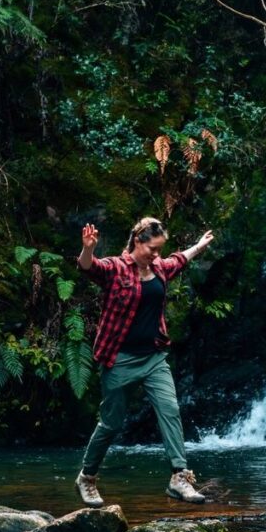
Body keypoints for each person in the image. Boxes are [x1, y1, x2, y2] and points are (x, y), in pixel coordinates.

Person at [74, 216, 215, 507]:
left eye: (159, 249)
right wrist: (88, 248)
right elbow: (89, 267)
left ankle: (179, 478)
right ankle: (87, 478)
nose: (156, 254)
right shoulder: (115, 268)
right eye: (152, 248)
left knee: (170, 409)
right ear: (137, 241)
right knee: (111, 424)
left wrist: (199, 246)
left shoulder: (160, 268)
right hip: (118, 359)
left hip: (153, 357)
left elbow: (179, 259)